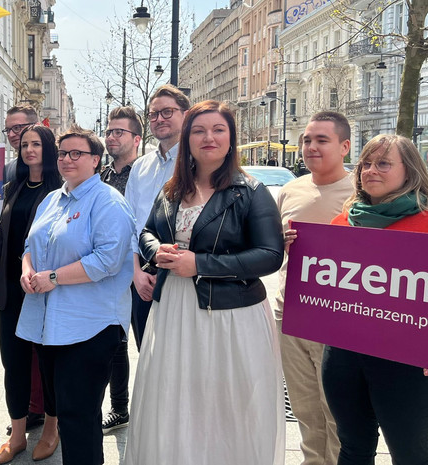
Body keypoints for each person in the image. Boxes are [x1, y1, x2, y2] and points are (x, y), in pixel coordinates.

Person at [125, 100, 285, 465]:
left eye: (218, 130)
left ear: (231, 138)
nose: (208, 137)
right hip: (173, 308)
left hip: (230, 315)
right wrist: (157, 251)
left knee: (224, 404)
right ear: (188, 138)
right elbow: (147, 231)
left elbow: (269, 255)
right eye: (198, 130)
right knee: (174, 397)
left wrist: (200, 264)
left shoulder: (251, 191)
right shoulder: (172, 188)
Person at [320, 134, 428, 464]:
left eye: (383, 163)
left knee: (410, 454)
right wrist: (302, 249)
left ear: (410, 170)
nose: (370, 171)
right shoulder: (343, 220)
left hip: (410, 361)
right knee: (352, 448)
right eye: (365, 163)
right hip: (345, 356)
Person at [17, 125, 135, 465]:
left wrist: (54, 277)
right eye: (62, 153)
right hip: (49, 324)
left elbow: (108, 260)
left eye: (76, 153)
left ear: (95, 160)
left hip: (90, 326)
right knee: (65, 410)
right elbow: (30, 245)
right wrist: (27, 269)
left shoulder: (108, 201)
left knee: (78, 416)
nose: (67, 159)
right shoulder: (52, 200)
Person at [274, 111, 352, 465]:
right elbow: (270, 250)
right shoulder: (290, 189)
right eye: (307, 140)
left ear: (344, 147)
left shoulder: (361, 192)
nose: (311, 147)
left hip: (338, 320)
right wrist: (278, 243)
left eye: (322, 140)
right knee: (305, 409)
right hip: (289, 313)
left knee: (337, 412)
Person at [0, 125, 63, 464]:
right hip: (11, 289)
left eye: (37, 144)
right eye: (25, 145)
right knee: (12, 362)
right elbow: (1, 238)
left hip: (44, 289)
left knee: (48, 363)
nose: (29, 149)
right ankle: (17, 435)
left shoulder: (60, 190)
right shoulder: (12, 187)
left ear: (49, 149)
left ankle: (51, 429)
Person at [112, 85, 189, 434]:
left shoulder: (196, 161)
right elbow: (130, 224)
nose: (159, 119)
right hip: (142, 275)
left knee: (182, 359)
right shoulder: (141, 167)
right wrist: (134, 273)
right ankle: (157, 430)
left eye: (167, 112)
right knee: (149, 353)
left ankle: (181, 430)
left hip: (185, 273)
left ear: (185, 115)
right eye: (154, 113)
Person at [98, 106, 142, 435]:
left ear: (136, 139)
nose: (111, 137)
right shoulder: (102, 175)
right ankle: (119, 408)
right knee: (115, 341)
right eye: (109, 132)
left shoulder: (145, 173)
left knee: (147, 341)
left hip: (141, 269)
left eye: (119, 132)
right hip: (108, 271)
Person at [2, 104, 39, 183]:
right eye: (7, 130)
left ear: (35, 126)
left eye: (17, 128)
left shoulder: (59, 165)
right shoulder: (7, 169)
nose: (11, 135)